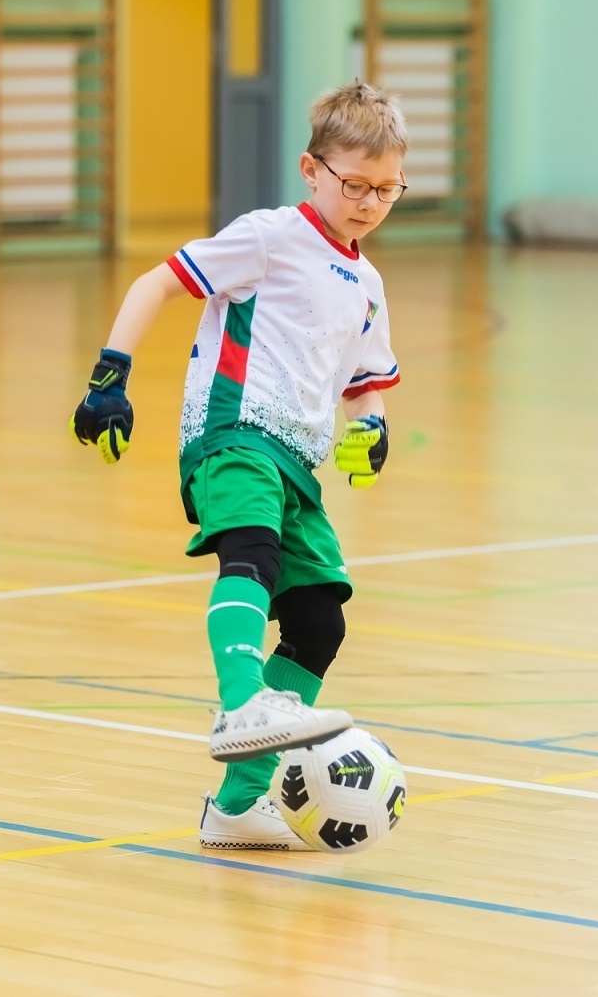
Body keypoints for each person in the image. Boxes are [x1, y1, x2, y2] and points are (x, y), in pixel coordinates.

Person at [70, 80, 407, 850]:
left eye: (387, 189)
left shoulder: (368, 284)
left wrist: (373, 430)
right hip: (234, 431)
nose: (368, 202)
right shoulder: (270, 237)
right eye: (354, 184)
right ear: (311, 169)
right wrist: (109, 376)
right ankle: (242, 701)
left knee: (319, 622)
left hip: (298, 460)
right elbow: (157, 280)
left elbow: (365, 385)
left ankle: (237, 805)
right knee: (248, 554)